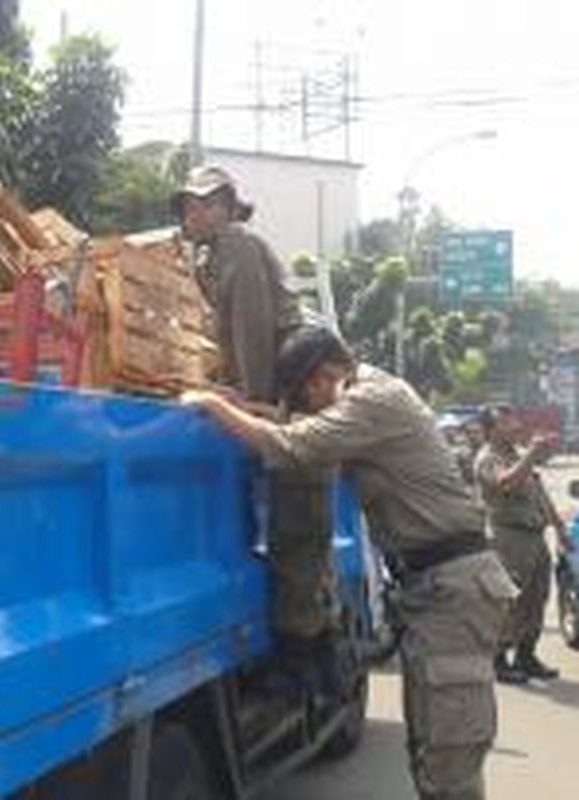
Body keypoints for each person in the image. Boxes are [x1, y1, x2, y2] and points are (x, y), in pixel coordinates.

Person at [183, 326, 516, 800]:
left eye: (305, 396)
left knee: (449, 758)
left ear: (323, 378)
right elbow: (296, 427)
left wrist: (211, 406)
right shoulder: (368, 397)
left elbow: (292, 444)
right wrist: (242, 407)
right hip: (436, 588)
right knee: (430, 751)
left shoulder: (372, 400)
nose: (306, 408)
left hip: (451, 591)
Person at [174, 166, 336, 685]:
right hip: (283, 391)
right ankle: (307, 654)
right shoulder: (210, 256)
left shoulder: (238, 247)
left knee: (296, 530)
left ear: (227, 208)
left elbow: (252, 330)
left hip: (296, 394)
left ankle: (306, 663)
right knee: (291, 532)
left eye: (204, 205)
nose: (193, 214)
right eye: (188, 206)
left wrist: (252, 405)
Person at [474, 405, 565, 684]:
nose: (514, 426)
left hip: (534, 537)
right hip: (509, 538)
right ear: (490, 430)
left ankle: (526, 655)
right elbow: (507, 483)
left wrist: (559, 527)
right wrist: (531, 455)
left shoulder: (516, 455)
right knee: (509, 600)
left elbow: (538, 492)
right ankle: (498, 659)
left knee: (537, 597)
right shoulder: (487, 458)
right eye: (505, 422)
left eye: (513, 419)